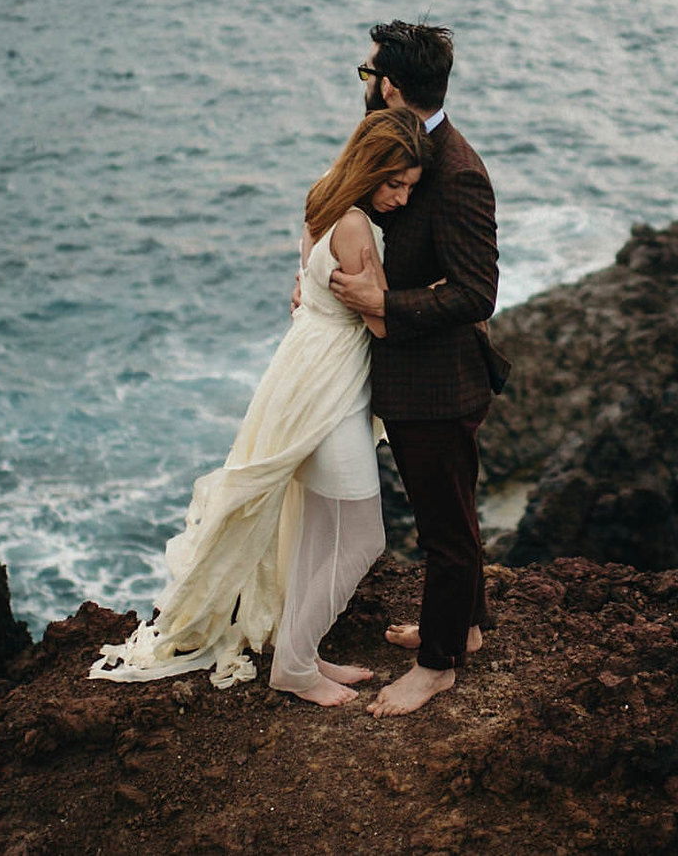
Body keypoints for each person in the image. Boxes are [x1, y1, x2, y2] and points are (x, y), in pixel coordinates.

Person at [89, 109, 431, 705]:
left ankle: (302, 653)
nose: (401, 198)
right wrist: (420, 296)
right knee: (362, 538)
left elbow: (311, 280)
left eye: (409, 187)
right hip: (328, 388)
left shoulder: (323, 196)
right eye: (393, 183)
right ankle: (295, 666)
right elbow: (380, 322)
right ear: (369, 171)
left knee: (320, 531)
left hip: (304, 371)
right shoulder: (353, 225)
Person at [329, 20, 502, 718]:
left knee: (445, 531)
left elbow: (477, 292)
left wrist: (385, 303)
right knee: (453, 514)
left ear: (391, 86)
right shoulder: (400, 145)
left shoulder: (455, 172)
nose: (366, 85)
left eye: (369, 75)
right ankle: (463, 629)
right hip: (416, 379)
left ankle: (438, 668)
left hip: (438, 383)